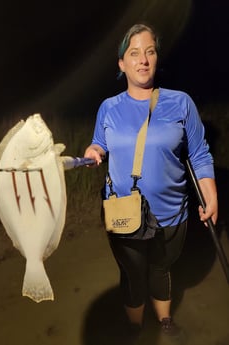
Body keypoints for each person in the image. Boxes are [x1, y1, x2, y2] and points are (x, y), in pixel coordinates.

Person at [84, 23, 218, 339]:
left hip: (173, 215)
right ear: (122, 64)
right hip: (123, 213)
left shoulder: (180, 103)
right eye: (134, 53)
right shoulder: (109, 108)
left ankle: (164, 321)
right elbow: (98, 144)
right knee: (132, 274)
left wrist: (211, 196)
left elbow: (199, 153)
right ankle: (133, 327)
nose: (143, 59)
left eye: (150, 51)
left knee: (161, 268)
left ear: (156, 58)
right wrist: (93, 150)